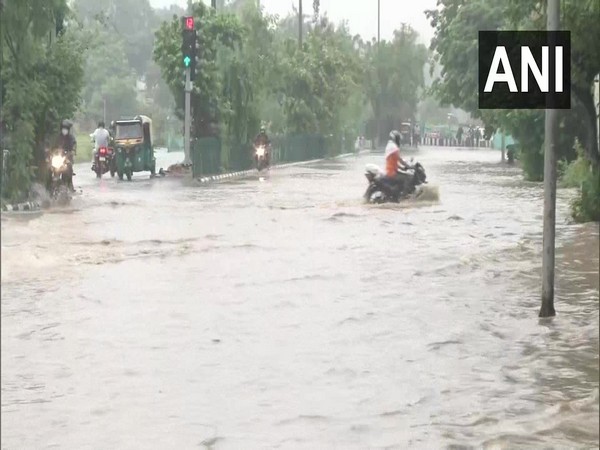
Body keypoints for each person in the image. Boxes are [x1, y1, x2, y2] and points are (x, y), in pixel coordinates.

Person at [382, 130, 411, 199]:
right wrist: (409, 166)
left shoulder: (390, 147)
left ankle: (400, 193)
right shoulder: (394, 148)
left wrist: (402, 168)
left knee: (403, 175)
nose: (399, 141)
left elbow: (395, 162)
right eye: (398, 139)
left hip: (390, 171)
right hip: (392, 173)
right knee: (408, 178)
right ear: (396, 139)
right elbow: (400, 160)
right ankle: (404, 196)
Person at [52, 119, 77, 191]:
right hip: (58, 157)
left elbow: (74, 145)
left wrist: (72, 151)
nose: (64, 130)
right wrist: (50, 151)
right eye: (63, 128)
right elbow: (53, 146)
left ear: (68, 129)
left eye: (66, 129)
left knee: (69, 167)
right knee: (49, 168)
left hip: (67, 157)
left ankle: (69, 184)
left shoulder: (71, 138)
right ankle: (49, 186)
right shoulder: (57, 137)